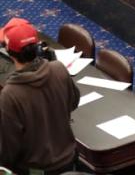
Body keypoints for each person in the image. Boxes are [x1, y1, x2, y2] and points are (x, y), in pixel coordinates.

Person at [0, 23, 80, 175]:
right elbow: (73, 102)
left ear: (9, 52)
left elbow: (9, 146)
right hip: (68, 160)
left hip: (36, 169)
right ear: (38, 48)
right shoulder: (59, 68)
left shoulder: (10, 94)